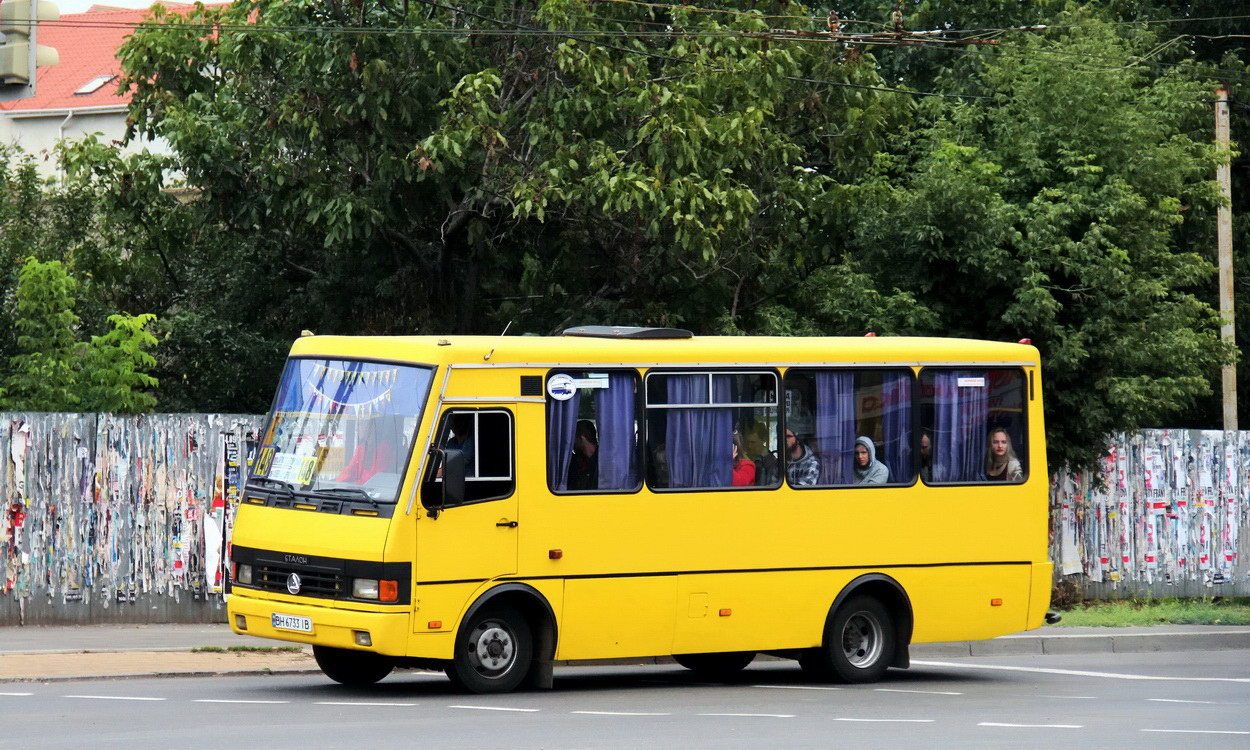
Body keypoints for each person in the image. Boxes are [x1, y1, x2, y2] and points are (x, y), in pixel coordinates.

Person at [567, 419, 599, 491]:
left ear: (582, 438)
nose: (573, 443)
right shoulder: (575, 462)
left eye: (574, 439)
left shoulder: (602, 462)